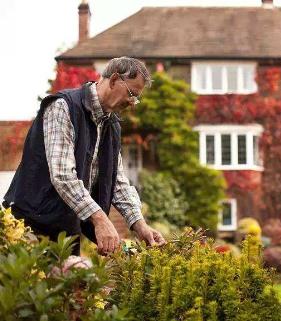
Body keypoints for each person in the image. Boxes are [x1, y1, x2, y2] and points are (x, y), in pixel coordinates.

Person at [3, 57, 165, 255]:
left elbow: (117, 182)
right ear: (114, 80)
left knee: (71, 284)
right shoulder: (63, 107)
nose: (132, 103)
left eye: (136, 98)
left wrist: (139, 224)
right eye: (132, 94)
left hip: (65, 229)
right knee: (28, 284)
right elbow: (63, 176)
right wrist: (100, 219)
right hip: (29, 225)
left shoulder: (111, 124)